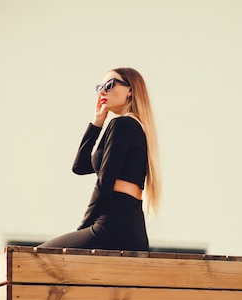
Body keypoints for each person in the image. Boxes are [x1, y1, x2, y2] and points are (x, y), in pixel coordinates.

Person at [38, 67, 161, 251]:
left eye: (110, 85)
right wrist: (97, 123)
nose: (103, 91)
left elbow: (104, 183)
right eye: (100, 87)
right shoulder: (134, 127)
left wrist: (83, 228)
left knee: (38, 256)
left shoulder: (122, 125)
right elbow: (80, 166)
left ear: (130, 90)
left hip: (112, 226)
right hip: (132, 228)